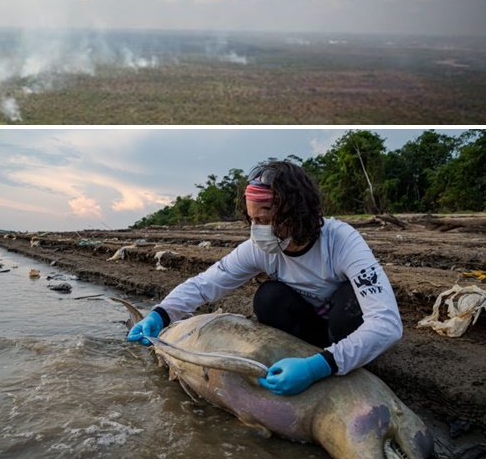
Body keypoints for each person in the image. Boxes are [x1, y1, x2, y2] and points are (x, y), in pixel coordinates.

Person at [127, 160, 403, 396]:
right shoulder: (260, 248)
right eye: (252, 221)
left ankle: (335, 360)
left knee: (351, 300)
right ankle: (303, 359)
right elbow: (206, 284)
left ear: (297, 213)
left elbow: (387, 324)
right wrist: (161, 314)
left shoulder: (342, 241)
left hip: (342, 326)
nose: (258, 230)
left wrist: (319, 366)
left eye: (266, 219)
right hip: (308, 330)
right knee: (269, 297)